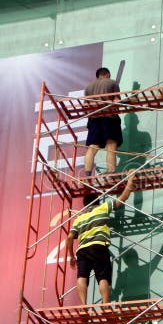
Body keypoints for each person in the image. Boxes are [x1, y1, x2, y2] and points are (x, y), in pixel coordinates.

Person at [67, 173, 136, 305]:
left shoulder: (79, 218)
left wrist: (71, 256)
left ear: (85, 205)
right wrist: (130, 180)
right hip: (98, 246)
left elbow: (70, 237)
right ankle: (105, 304)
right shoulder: (102, 208)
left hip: (82, 250)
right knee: (103, 276)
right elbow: (123, 198)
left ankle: (83, 306)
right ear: (97, 201)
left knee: (82, 277)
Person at [84, 67, 122, 176]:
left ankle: (87, 174)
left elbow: (86, 106)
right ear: (108, 74)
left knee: (92, 147)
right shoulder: (112, 83)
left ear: (97, 76)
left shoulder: (88, 87)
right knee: (111, 145)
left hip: (94, 119)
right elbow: (116, 101)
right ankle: (111, 173)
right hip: (109, 118)